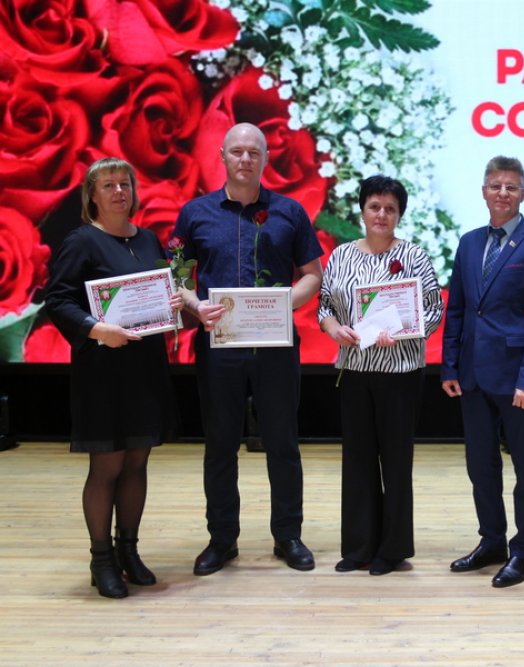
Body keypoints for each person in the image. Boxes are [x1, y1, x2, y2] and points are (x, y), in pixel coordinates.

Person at [172, 122, 323, 575]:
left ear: (265, 159)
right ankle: (222, 540)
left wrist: (280, 306)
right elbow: (176, 277)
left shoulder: (290, 212)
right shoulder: (195, 213)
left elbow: (312, 275)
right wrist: (196, 305)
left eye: (253, 152)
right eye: (236, 151)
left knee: (283, 443)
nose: (244, 159)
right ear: (222, 156)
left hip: (275, 346)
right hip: (219, 348)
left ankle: (288, 535)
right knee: (220, 444)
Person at [45, 157, 182, 598]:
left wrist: (171, 302)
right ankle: (101, 559)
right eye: (108, 185)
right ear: (92, 195)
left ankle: (129, 551)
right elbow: (58, 300)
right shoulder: (81, 241)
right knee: (107, 464)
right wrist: (97, 329)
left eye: (125, 184)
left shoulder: (147, 238)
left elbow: (159, 291)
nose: (119, 192)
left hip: (145, 368)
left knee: (138, 461)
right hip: (102, 370)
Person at [441, 156, 524, 588]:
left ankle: (523, 551)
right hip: (472, 374)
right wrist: (449, 364)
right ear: (484, 191)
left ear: (523, 194)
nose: (503, 193)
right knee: (481, 466)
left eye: (511, 187)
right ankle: (491, 540)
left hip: (516, 380)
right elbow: (457, 307)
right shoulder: (469, 242)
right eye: (495, 186)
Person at [318, 175, 443, 576]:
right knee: (357, 460)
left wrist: (405, 331)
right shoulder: (340, 256)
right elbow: (325, 306)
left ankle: (393, 549)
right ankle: (358, 547)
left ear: (399, 214)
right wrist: (334, 328)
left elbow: (434, 309)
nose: (382, 215)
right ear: (362, 210)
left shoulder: (414, 255)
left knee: (395, 462)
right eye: (375, 206)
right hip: (354, 370)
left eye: (390, 208)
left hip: (400, 372)